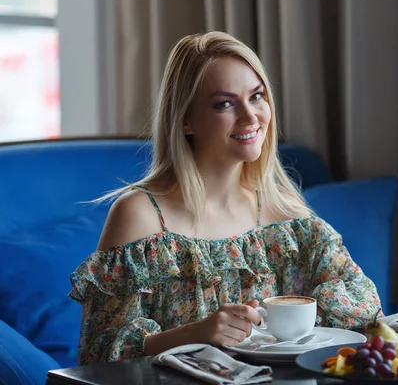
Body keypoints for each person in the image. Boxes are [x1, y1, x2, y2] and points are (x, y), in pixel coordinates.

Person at [68, 31, 382, 365]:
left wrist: (313, 310)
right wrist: (193, 333)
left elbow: (367, 311)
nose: (250, 117)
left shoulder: (287, 217)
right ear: (186, 120)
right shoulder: (140, 214)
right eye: (225, 104)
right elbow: (97, 354)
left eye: (257, 96)